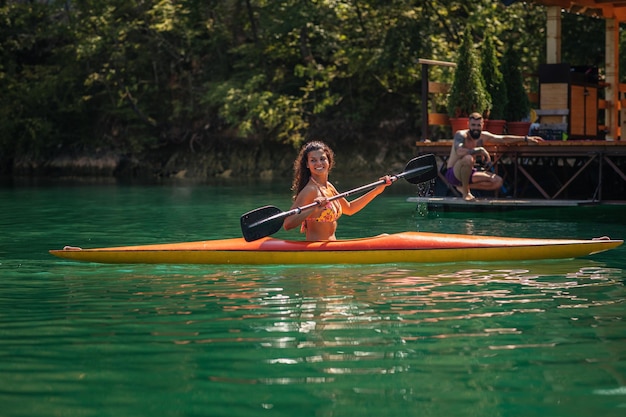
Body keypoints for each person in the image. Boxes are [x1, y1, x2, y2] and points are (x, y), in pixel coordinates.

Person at [283, 141, 392, 241]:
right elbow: (287, 224)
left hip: (332, 247)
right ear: (307, 164)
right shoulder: (310, 190)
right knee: (385, 238)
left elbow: (350, 209)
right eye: (313, 160)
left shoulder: (328, 186)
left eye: (322, 159)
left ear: (329, 161)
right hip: (318, 251)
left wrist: (377, 190)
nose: (319, 163)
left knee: (384, 237)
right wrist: (312, 208)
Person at [446, 112, 544, 201]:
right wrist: (479, 150)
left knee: (497, 181)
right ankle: (466, 193)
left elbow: (503, 139)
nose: (476, 128)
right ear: (468, 125)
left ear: (482, 125)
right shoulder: (461, 134)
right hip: (454, 172)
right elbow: (459, 151)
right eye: (473, 125)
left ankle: (462, 186)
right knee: (468, 158)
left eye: (478, 125)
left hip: (469, 173)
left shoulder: (483, 136)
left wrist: (526, 139)